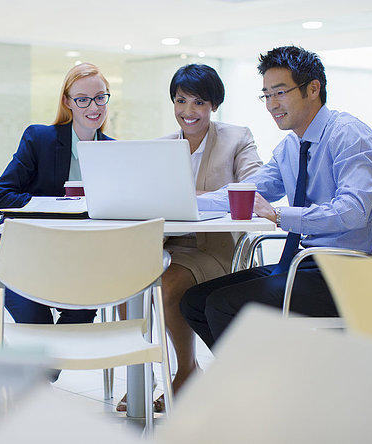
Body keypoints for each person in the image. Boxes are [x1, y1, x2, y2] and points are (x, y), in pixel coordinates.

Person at [180, 46, 372, 351]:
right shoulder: (290, 147)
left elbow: (353, 211)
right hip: (307, 264)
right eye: (266, 95)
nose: (271, 104)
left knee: (221, 305)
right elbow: (247, 192)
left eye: (279, 93)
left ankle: (259, 389)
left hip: (350, 273)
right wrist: (179, 199)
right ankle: (256, 382)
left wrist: (282, 216)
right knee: (194, 302)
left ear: (313, 89)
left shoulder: (349, 136)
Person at [116, 64, 263, 412]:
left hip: (214, 246)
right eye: (181, 101)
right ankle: (140, 373)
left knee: (169, 284)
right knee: (123, 283)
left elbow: (255, 188)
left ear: (213, 105)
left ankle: (185, 371)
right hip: (165, 243)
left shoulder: (236, 138)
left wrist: (193, 194)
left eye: (199, 102)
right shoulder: (159, 147)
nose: (188, 111)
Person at [0, 62, 113, 327]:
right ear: (67, 102)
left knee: (83, 310)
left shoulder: (113, 152)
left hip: (68, 261)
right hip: (13, 258)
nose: (94, 107)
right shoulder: (40, 138)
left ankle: (44, 371)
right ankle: (39, 369)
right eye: (83, 100)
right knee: (36, 319)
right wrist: (64, 205)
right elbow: (1, 197)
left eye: (100, 97)